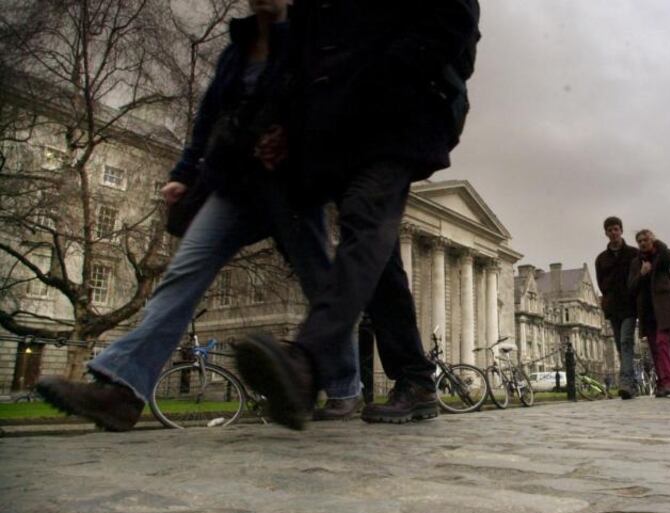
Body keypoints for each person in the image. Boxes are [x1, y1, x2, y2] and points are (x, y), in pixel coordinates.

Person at [34, 0, 363, 430]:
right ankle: (123, 390)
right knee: (181, 276)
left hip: (291, 187)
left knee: (321, 282)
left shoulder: (308, 39)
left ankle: (342, 388)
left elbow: (330, 102)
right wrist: (183, 174)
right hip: (233, 186)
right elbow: (209, 119)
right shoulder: (238, 50)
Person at [233, 0, 482, 429]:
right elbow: (301, 50)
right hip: (336, 126)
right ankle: (415, 378)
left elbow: (454, 22)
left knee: (367, 217)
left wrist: (390, 73)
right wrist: (277, 121)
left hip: (401, 111)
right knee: (375, 253)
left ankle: (306, 361)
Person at [627, 230, 670, 397]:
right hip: (648, 311)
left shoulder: (662, 256)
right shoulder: (636, 263)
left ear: (653, 240)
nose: (643, 243)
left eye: (646, 239)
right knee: (654, 348)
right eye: (640, 241)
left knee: (662, 343)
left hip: (664, 309)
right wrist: (642, 274)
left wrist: (658, 244)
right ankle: (661, 382)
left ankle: (669, 381)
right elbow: (631, 287)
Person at [595, 216, 641, 399]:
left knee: (625, 342)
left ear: (621, 230)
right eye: (609, 230)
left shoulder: (633, 253)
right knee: (621, 348)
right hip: (613, 307)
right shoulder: (601, 259)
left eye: (616, 229)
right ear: (605, 233)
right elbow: (601, 284)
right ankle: (633, 382)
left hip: (629, 305)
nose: (613, 233)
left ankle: (626, 383)